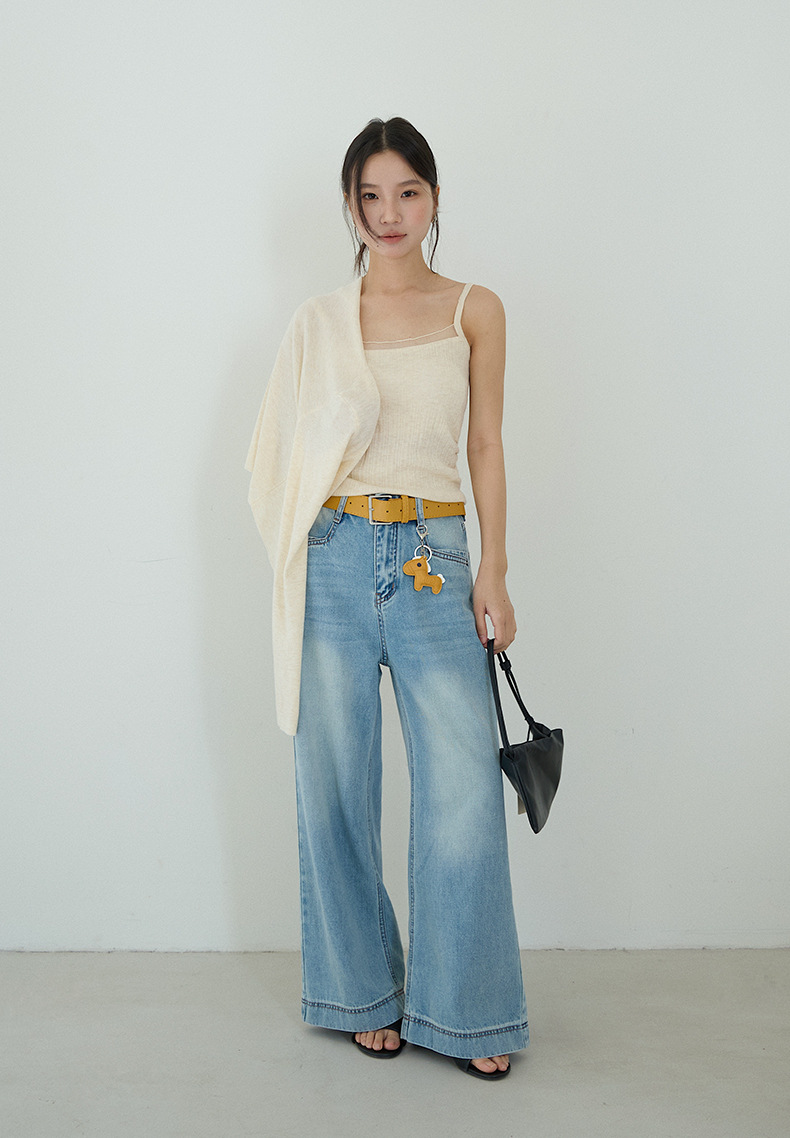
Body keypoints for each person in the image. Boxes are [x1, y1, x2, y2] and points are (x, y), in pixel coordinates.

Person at [244, 116, 528, 1080]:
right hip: (333, 550)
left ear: (434, 197)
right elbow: (278, 450)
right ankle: (361, 993)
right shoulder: (320, 320)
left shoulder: (474, 309)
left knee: (461, 785)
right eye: (370, 196)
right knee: (332, 781)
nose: (389, 213)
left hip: (434, 556)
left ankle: (468, 1010)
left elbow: (485, 444)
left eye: (407, 192)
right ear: (351, 206)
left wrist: (494, 568)